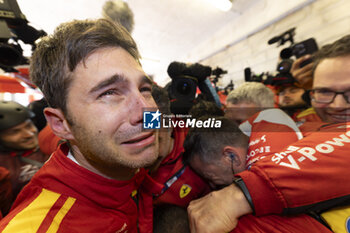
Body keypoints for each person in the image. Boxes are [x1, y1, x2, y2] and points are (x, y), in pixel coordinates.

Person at [0, 19, 159, 233]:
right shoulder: (43, 226)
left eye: (145, 89)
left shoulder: (125, 161)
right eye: (109, 93)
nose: (147, 112)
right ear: (61, 124)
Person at [188, 34, 350, 233]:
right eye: (324, 92)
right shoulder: (303, 122)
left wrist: (242, 193)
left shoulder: (274, 121)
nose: (338, 105)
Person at [183, 115, 330, 232]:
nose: (213, 185)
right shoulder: (270, 126)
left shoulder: (272, 170)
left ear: (231, 156)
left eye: (211, 176)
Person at [0, 101, 49, 216]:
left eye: (29, 126)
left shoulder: (48, 145)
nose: (29, 134)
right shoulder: (2, 167)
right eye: (15, 132)